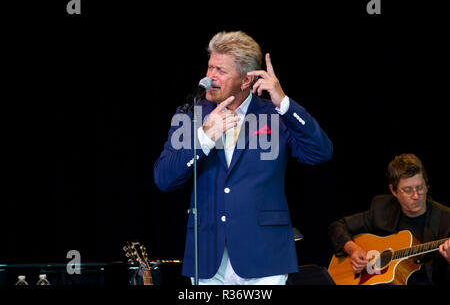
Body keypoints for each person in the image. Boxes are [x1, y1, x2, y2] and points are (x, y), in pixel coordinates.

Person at [154, 31, 333, 285]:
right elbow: (163, 178)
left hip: (265, 256)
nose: (209, 77)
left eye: (220, 70)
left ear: (246, 80)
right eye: (209, 67)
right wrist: (203, 139)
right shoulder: (191, 115)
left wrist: (284, 102)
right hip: (208, 257)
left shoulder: (275, 114)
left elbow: (320, 152)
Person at [328, 153, 450, 285]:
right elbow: (338, 227)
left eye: (420, 187)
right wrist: (353, 249)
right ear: (394, 190)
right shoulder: (382, 208)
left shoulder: (445, 219)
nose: (416, 196)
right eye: (408, 190)